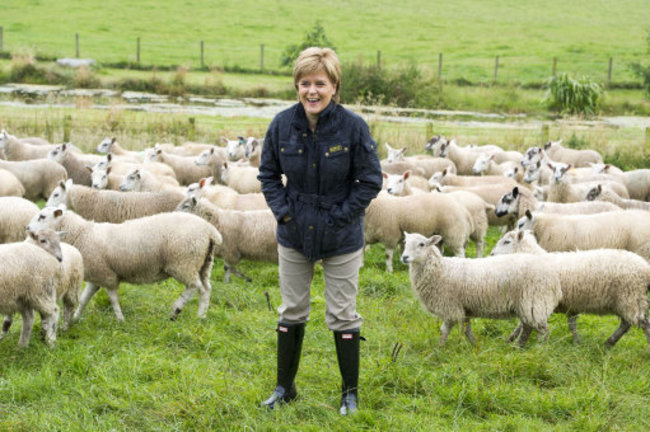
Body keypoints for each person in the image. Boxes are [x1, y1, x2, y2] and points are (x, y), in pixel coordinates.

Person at [257, 46, 382, 415]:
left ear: (334, 87)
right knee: (292, 309)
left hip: (341, 236)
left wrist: (341, 216)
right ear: (297, 86)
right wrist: (284, 215)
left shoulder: (353, 127)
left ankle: (350, 394)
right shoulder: (282, 124)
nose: (312, 91)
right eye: (305, 83)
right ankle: (284, 389)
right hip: (294, 234)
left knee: (343, 314)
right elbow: (267, 174)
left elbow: (370, 179)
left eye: (320, 84)